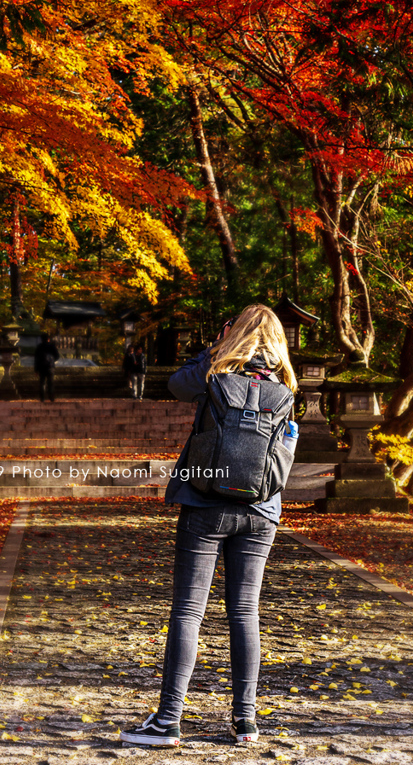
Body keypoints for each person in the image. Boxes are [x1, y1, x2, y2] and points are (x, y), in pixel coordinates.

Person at [120, 304, 298, 748]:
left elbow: (174, 384)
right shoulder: (286, 388)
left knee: (188, 611)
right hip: (261, 510)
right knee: (244, 612)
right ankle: (246, 721)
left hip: (205, 502)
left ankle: (168, 720)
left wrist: (215, 348)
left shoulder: (214, 377)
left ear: (231, 333)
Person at [34, 333, 60, 402]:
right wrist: (52, 360)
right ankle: (51, 397)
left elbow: (36, 359)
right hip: (50, 367)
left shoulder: (39, 347)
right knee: (50, 382)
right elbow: (57, 356)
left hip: (41, 367)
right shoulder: (52, 346)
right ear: (48, 339)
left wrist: (36, 370)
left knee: (42, 383)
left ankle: (42, 398)